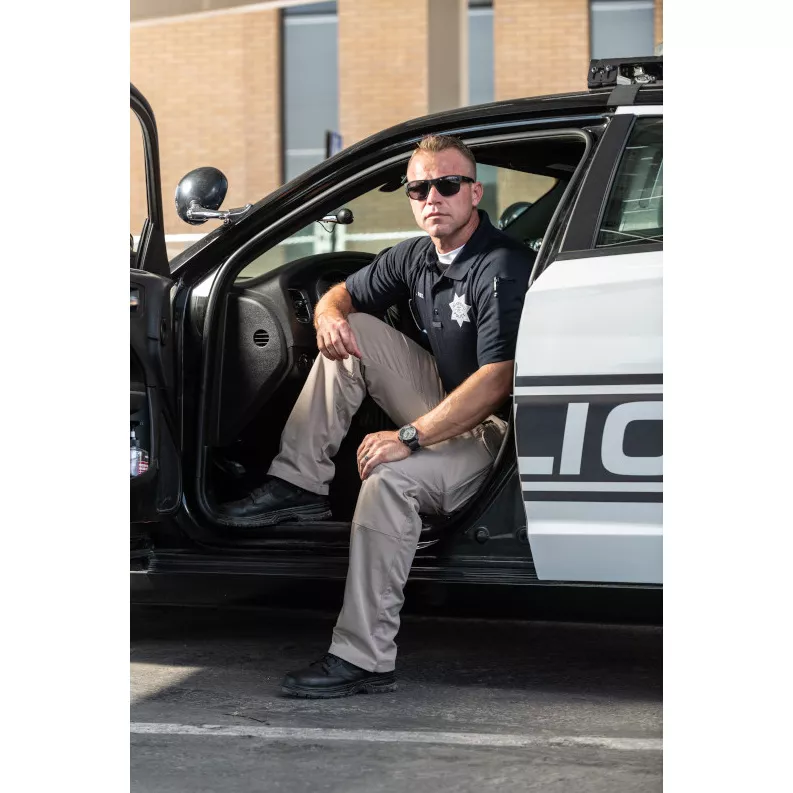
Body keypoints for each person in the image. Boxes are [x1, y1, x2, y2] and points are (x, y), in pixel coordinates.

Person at [220, 134, 535, 697]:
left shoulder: (501, 266)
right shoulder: (415, 256)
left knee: (389, 479)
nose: (433, 197)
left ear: (474, 192)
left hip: (497, 435)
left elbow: (496, 382)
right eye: (419, 189)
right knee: (355, 332)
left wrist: (407, 437)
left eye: (448, 184)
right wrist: (328, 317)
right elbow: (341, 295)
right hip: (446, 400)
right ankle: (298, 484)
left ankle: (363, 657)